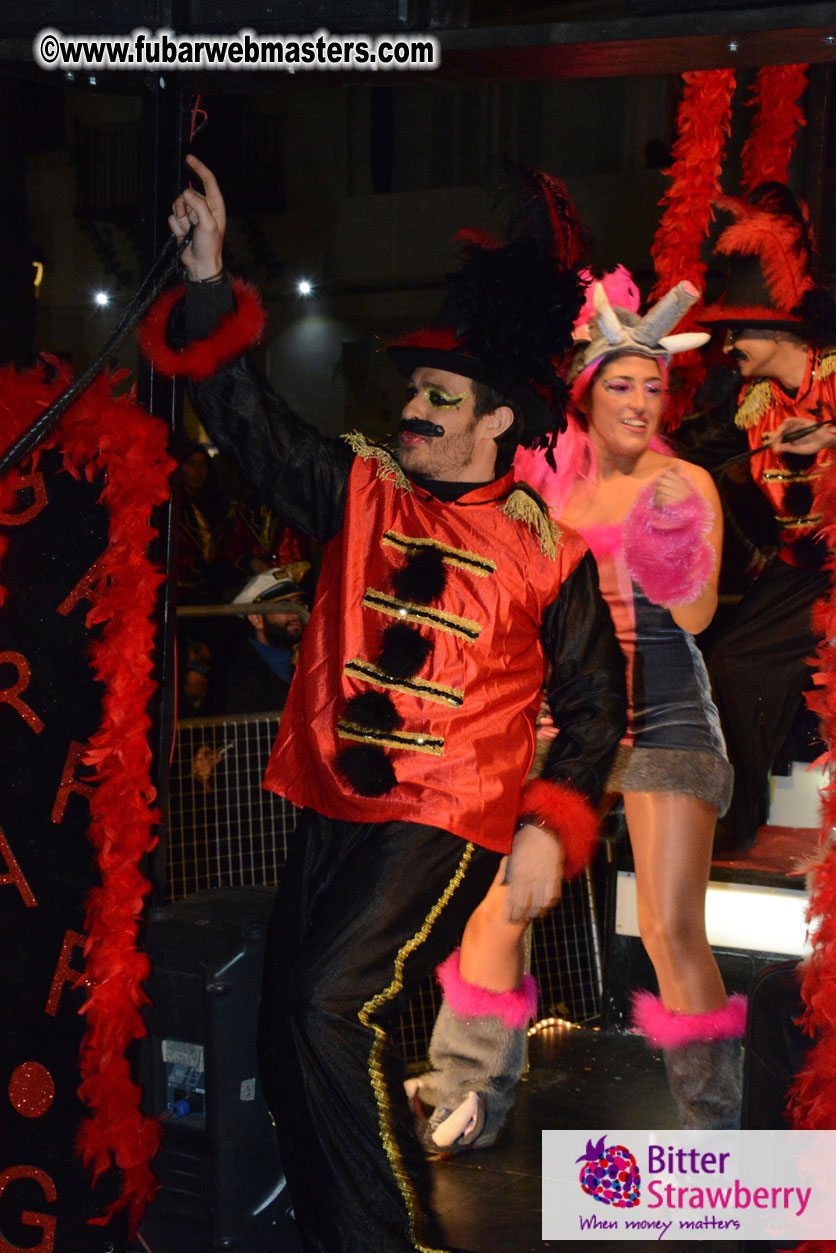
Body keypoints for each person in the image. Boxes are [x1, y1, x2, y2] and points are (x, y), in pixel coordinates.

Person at [139, 155, 627, 1253]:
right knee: (285, 1019)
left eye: (436, 399)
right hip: (326, 798)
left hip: (438, 816)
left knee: (325, 1004)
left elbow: (594, 705)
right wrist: (209, 277)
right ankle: (324, 1226)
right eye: (411, 393)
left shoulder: (548, 554)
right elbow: (247, 421)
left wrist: (551, 822)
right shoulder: (356, 485)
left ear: (498, 422)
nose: (410, 407)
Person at [410, 270, 748, 1152]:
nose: (641, 401)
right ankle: (467, 1088)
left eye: (654, 385)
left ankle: (712, 1132)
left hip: (669, 715)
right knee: (504, 904)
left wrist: (675, 551)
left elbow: (703, 617)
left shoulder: (686, 484)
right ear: (587, 393)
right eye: (622, 384)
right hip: (574, 723)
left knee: (673, 928)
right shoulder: (552, 491)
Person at [695, 183, 836, 853]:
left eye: (736, 331)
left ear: (777, 327)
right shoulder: (752, 404)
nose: (728, 346)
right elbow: (689, 447)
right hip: (798, 570)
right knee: (728, 654)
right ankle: (737, 821)